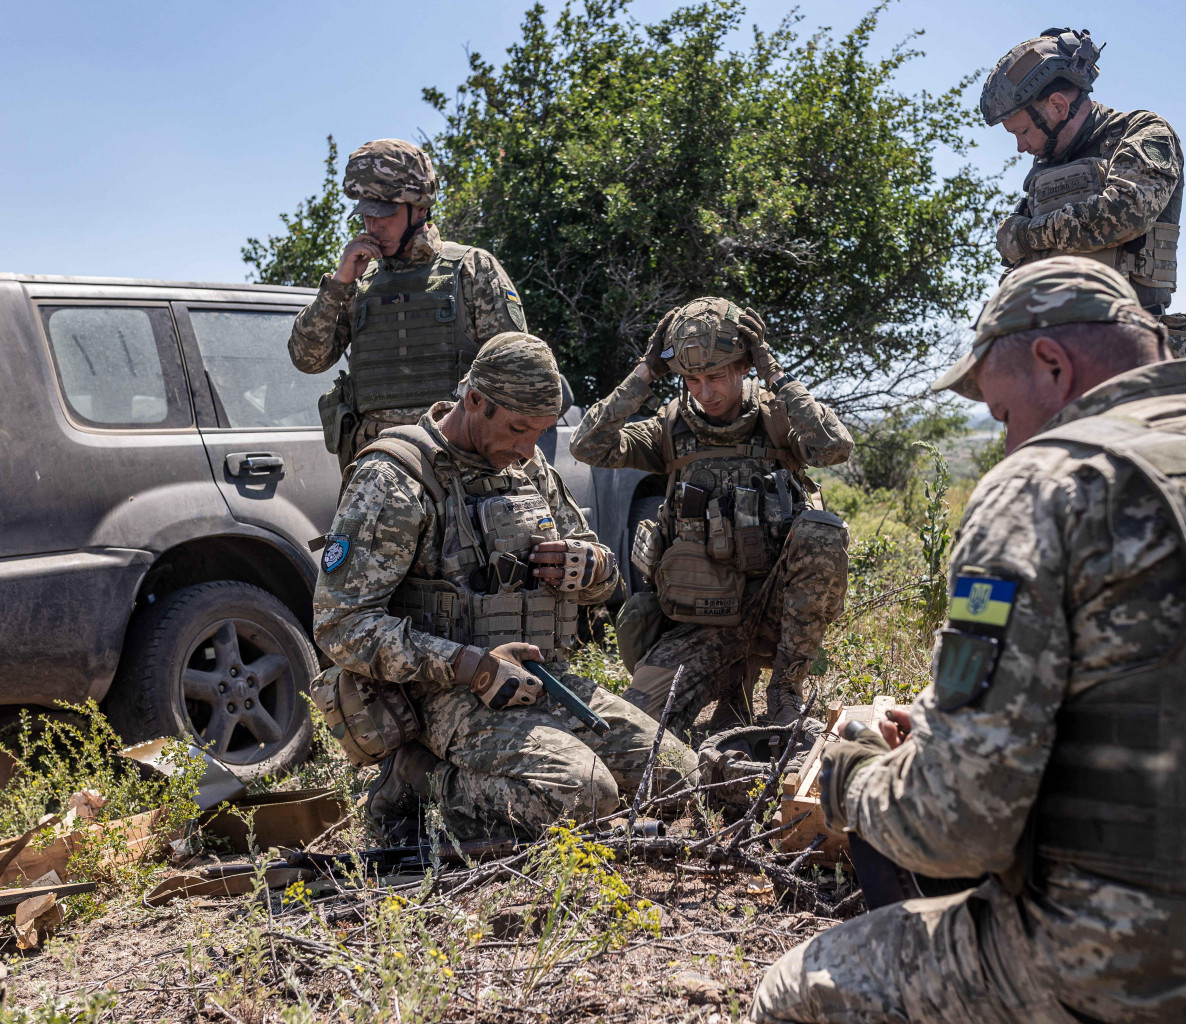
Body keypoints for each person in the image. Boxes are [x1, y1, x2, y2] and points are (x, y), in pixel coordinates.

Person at [750, 256, 1186, 1023]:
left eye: (1004, 416)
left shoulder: (1050, 485)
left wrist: (850, 775)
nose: (1006, 444)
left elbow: (956, 828)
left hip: (1135, 967)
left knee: (795, 991)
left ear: (1052, 365)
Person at [310, 332, 697, 840]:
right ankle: (416, 780)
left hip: (540, 679)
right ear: (475, 401)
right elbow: (341, 625)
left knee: (678, 777)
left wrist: (590, 568)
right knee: (586, 794)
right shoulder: (394, 479)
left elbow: (603, 577)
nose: (527, 447)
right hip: (441, 694)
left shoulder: (527, 465)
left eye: (539, 433)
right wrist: (468, 665)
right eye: (518, 429)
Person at [570, 298, 853, 731]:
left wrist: (775, 373)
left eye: (716, 376)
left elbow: (835, 446)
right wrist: (645, 372)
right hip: (700, 623)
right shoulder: (669, 431)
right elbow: (586, 445)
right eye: (692, 379)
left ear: (744, 366)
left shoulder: (777, 423)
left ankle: (783, 689)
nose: (705, 392)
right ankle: (732, 686)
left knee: (822, 533)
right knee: (632, 728)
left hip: (772, 613)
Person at [289, 138, 530, 469]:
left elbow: (519, 377)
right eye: (366, 215)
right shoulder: (357, 282)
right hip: (375, 468)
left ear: (419, 207)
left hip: (457, 467)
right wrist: (339, 283)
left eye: (384, 214)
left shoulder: (472, 270)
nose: (373, 226)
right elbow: (308, 359)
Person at [982, 28, 1186, 358]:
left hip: (1136, 353)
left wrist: (1026, 235)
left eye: (1022, 131)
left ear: (1057, 106)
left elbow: (1122, 215)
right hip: (1059, 357)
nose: (1020, 147)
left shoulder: (1142, 132)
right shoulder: (1044, 168)